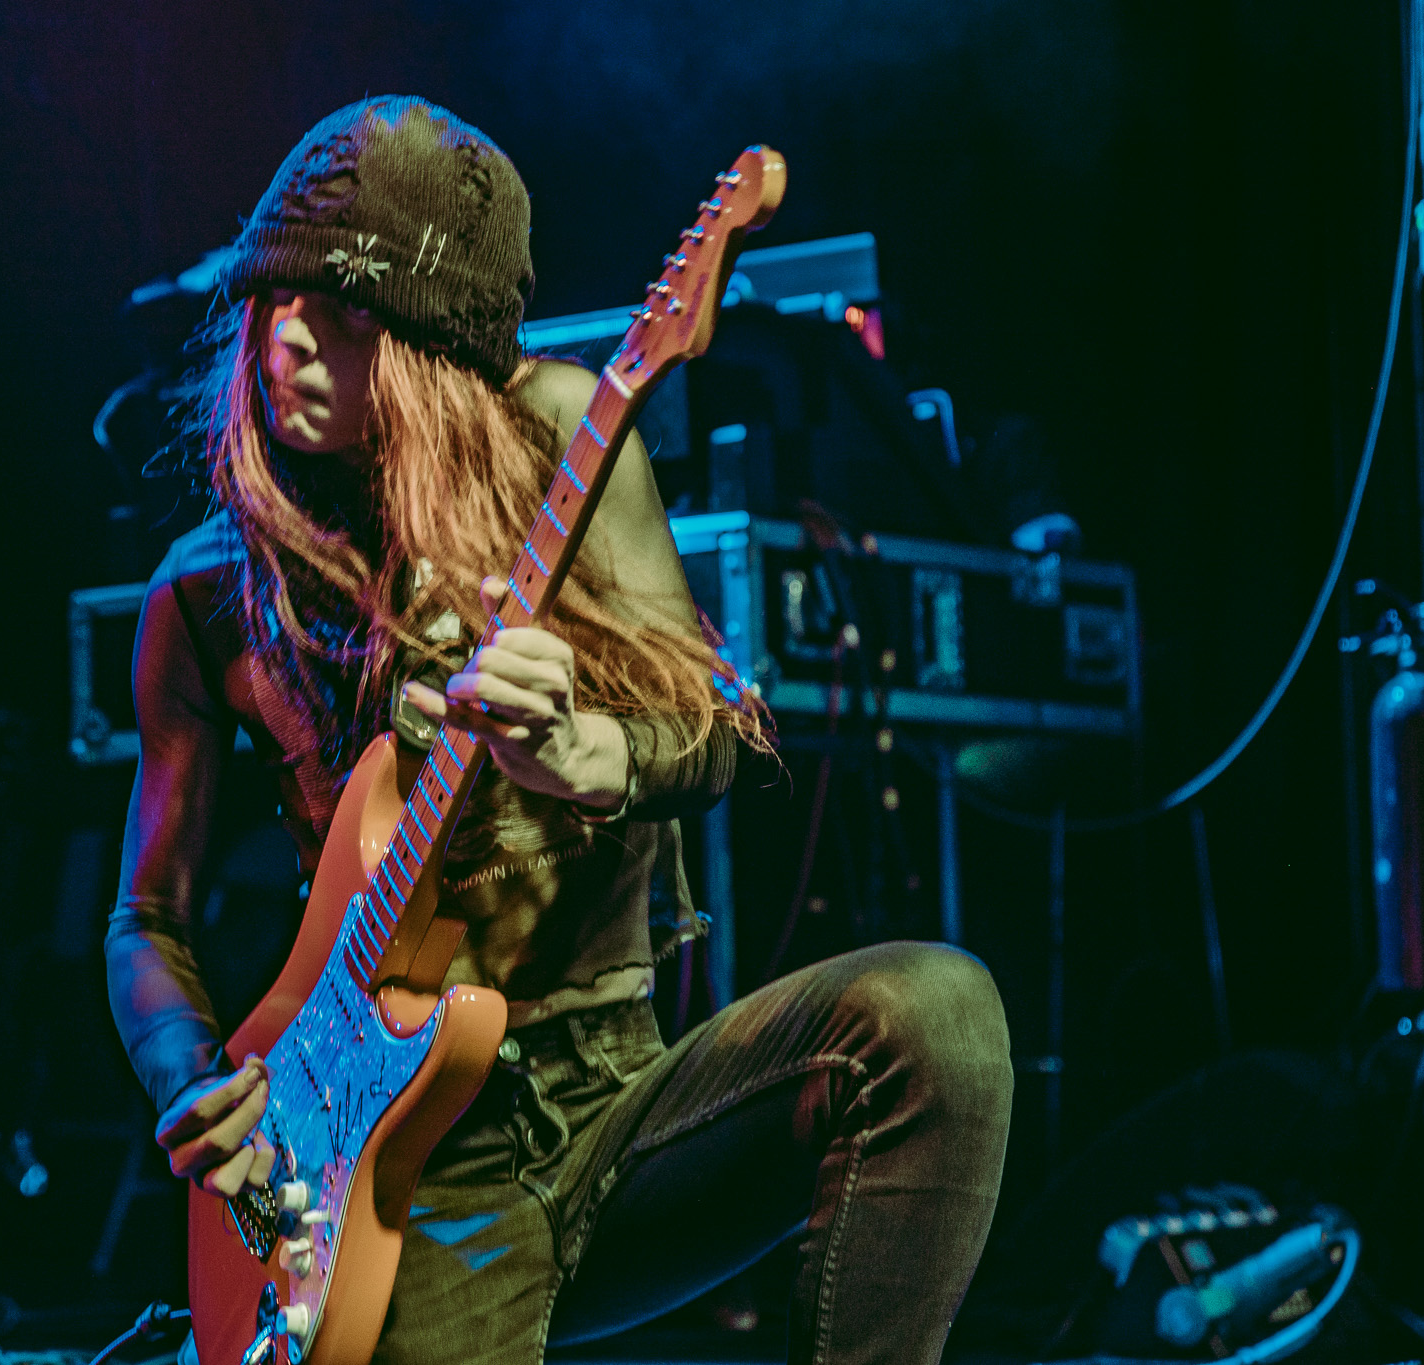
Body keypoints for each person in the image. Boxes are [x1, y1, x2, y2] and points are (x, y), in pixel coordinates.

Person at [105, 96, 1013, 1365]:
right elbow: (148, 917)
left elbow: (706, 728)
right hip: (400, 1179)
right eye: (278, 298)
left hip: (617, 1102)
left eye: (349, 307)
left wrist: (594, 751)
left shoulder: (563, 444)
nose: (293, 340)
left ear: (434, 346)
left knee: (937, 1017)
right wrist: (189, 1077)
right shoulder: (205, 591)